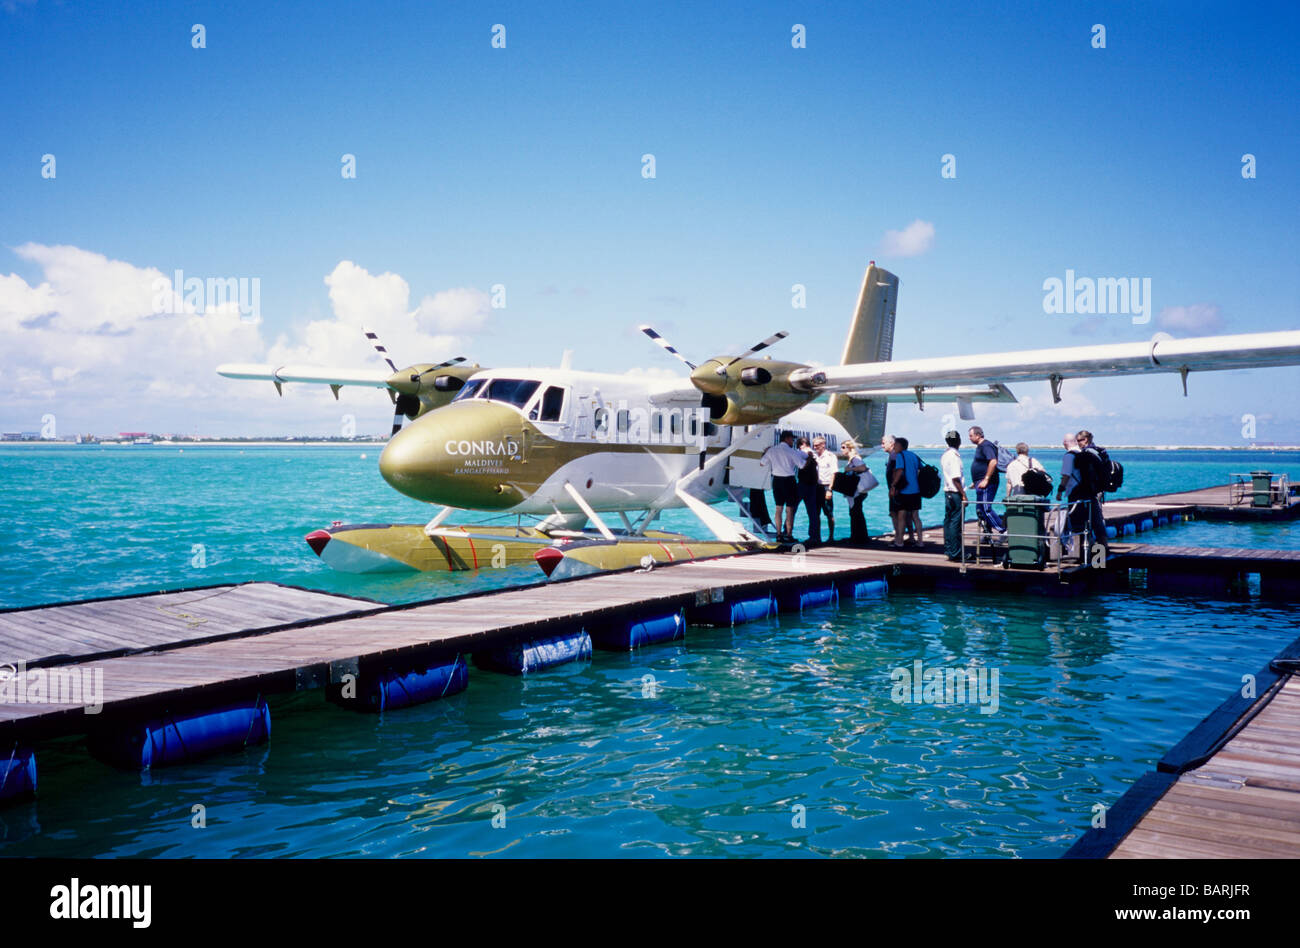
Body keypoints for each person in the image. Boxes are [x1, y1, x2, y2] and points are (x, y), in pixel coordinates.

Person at [760, 430, 805, 543]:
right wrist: (808, 458)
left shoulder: (772, 450)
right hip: (789, 480)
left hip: (777, 480)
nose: (793, 441)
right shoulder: (792, 451)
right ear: (787, 439)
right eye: (792, 439)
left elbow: (762, 463)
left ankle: (779, 534)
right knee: (789, 509)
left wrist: (766, 452)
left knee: (778, 508)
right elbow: (802, 465)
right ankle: (789, 535)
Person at [1076, 429, 1110, 557]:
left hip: (1091, 492)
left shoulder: (1088, 453)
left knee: (1094, 522)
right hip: (1099, 490)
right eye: (1077, 441)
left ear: (1086, 439)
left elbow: (1089, 474)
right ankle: (1101, 551)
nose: (1078, 443)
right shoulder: (1099, 451)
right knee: (1096, 521)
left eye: (1080, 440)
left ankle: (1099, 557)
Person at [968, 426, 1005, 540]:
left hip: (988, 483)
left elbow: (993, 462)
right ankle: (987, 533)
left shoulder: (986, 445)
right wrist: (976, 481)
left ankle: (1003, 531)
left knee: (986, 508)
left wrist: (986, 479)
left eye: (971, 435)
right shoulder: (981, 446)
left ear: (978, 435)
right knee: (980, 509)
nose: (969, 438)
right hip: (980, 482)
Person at [890, 436, 922, 547]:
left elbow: (899, 471)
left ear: (901, 446)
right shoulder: (914, 455)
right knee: (915, 516)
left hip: (905, 490)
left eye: (896, 445)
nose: (894, 447)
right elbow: (919, 470)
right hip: (916, 490)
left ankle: (899, 541)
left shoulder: (900, 455)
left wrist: (893, 485)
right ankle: (920, 542)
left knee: (901, 515)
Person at [940, 430, 966, 561]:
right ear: (959, 441)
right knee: (956, 523)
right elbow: (956, 478)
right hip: (955, 492)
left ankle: (949, 549)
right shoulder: (954, 456)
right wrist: (964, 495)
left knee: (948, 521)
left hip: (947, 492)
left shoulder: (945, 454)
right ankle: (956, 553)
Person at [839, 439, 871, 544]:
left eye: (843, 447)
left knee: (855, 512)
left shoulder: (855, 459)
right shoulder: (851, 459)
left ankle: (858, 537)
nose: (841, 449)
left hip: (858, 490)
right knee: (855, 512)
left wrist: (850, 470)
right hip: (856, 491)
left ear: (850, 448)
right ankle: (859, 536)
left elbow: (863, 467)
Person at [796, 436, 823, 544]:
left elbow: (801, 467)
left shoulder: (802, 453)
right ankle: (814, 536)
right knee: (812, 513)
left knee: (792, 508)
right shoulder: (814, 453)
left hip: (802, 484)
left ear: (801, 445)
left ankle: (786, 532)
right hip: (813, 486)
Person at [811, 437, 838, 542]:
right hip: (816, 487)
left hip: (826, 486)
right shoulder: (814, 456)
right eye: (814, 445)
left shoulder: (830, 457)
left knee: (829, 513)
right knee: (816, 513)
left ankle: (831, 537)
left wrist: (830, 490)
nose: (815, 447)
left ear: (823, 445)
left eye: (817, 445)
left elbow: (833, 473)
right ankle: (817, 537)